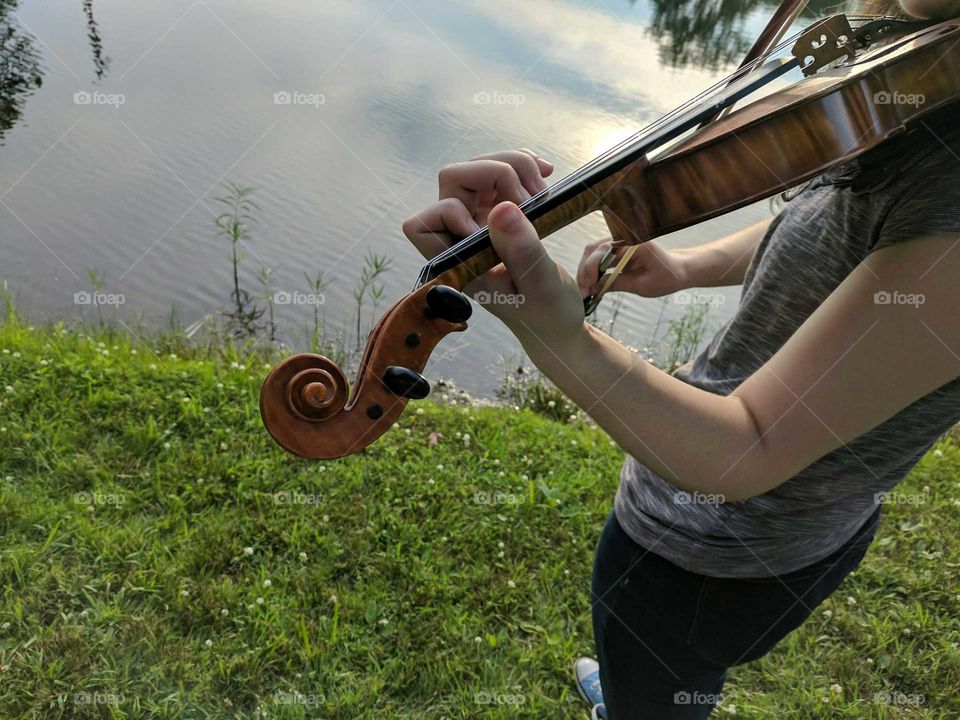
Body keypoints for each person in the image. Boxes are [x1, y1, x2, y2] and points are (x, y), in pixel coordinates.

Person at [401, 2, 960, 717]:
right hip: (749, 528)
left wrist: (557, 338)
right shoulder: (924, 75)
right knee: (653, 664)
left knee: (657, 658)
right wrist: (684, 269)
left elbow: (747, 447)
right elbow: (842, 225)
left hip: (714, 557)